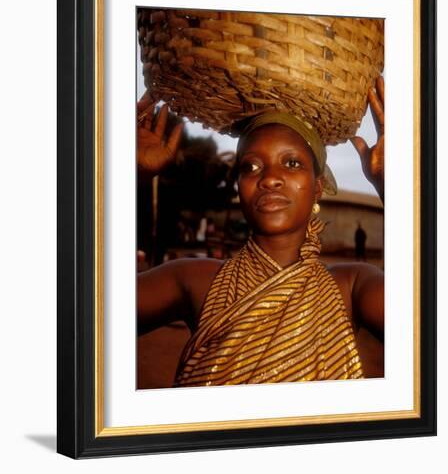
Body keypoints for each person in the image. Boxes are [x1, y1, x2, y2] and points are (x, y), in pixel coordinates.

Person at [137, 78, 385, 385]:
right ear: (239, 186)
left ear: (318, 187)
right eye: (251, 167)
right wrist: (127, 175)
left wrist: (397, 187)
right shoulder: (192, 280)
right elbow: (88, 316)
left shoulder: (352, 287)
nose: (269, 178)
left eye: (291, 163)